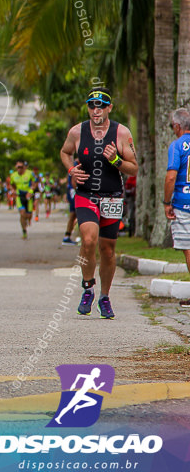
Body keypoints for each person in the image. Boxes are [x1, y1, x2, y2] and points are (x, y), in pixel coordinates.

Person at [60, 88, 137, 319]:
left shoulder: (121, 133)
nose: (96, 109)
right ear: (87, 107)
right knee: (88, 239)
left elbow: (134, 168)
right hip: (85, 195)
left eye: (101, 105)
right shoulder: (77, 131)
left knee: (107, 249)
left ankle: (104, 296)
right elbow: (65, 152)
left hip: (112, 196)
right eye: (92, 105)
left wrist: (115, 160)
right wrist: (72, 169)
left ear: (109, 108)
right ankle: (88, 288)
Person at [164, 108, 190, 308]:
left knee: (188, 248)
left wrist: (166, 202)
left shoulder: (177, 146)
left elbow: (171, 176)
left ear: (177, 126)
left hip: (183, 203)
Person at [9, 160, 35, 239]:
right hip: (19, 196)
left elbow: (35, 184)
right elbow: (11, 185)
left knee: (28, 215)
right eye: (18, 167)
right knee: (22, 213)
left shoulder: (30, 173)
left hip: (28, 196)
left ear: (24, 167)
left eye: (21, 167)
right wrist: (13, 191)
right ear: (16, 167)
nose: (19, 169)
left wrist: (30, 192)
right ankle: (24, 231)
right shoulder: (13, 175)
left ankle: (27, 220)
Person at [62, 173, 79, 245]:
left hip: (72, 192)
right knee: (79, 215)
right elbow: (73, 181)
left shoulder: (74, 164)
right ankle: (82, 238)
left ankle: (67, 236)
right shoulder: (76, 165)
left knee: (73, 215)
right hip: (74, 193)